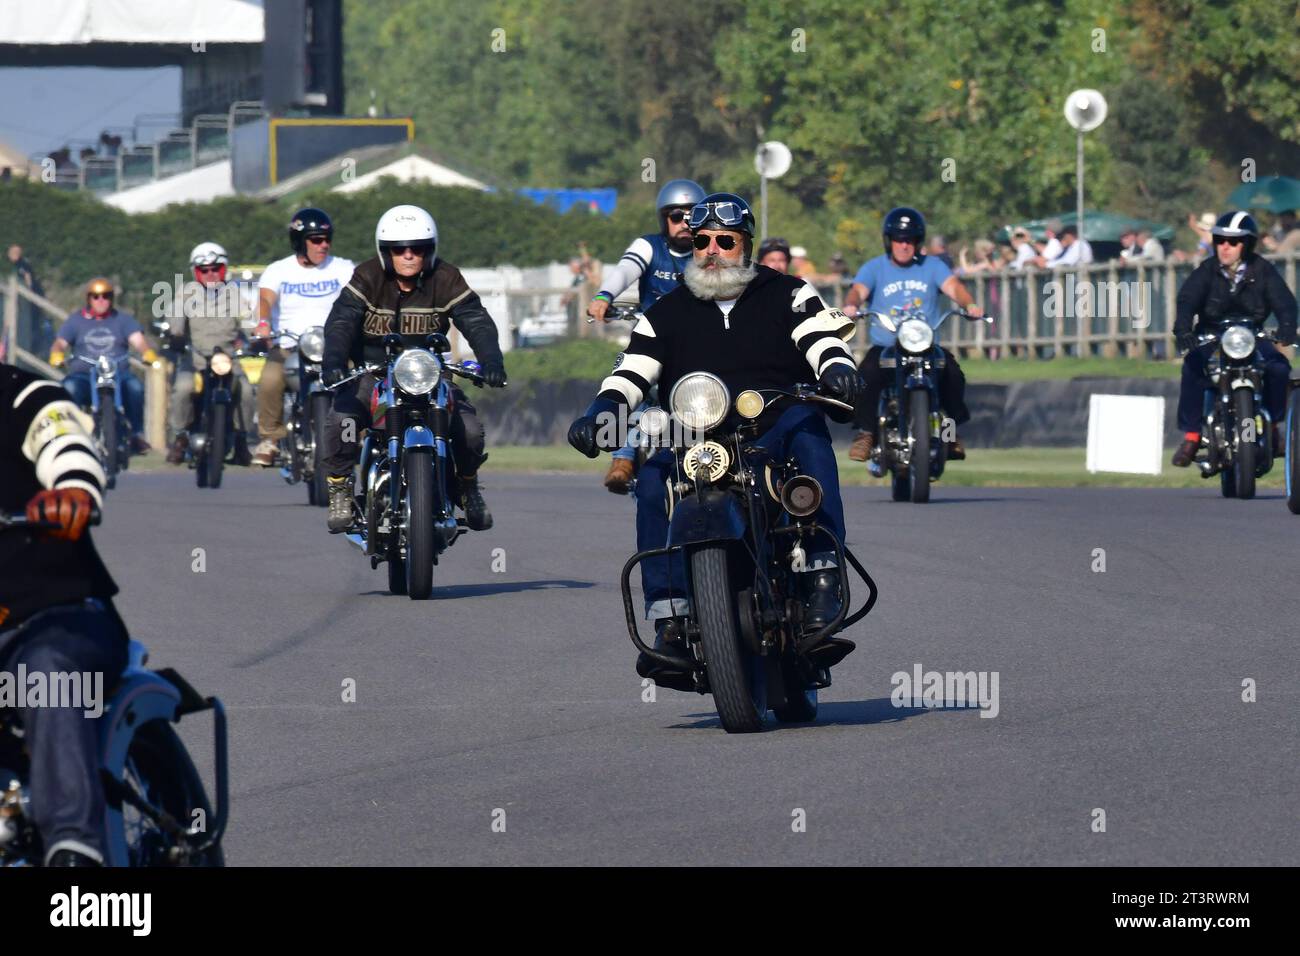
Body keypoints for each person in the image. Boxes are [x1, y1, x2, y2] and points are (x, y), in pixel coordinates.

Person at [567, 192, 865, 678]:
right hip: (694, 434)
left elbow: (820, 337)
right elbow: (631, 373)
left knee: (810, 434)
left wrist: (837, 368)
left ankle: (821, 575)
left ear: (744, 244)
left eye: (724, 241)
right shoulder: (666, 310)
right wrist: (601, 410)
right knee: (649, 483)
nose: (711, 250)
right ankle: (669, 617)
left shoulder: (789, 291)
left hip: (775, 422)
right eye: (701, 240)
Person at [0, 361, 125, 865]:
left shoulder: (22, 394)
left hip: (56, 619)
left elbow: (65, 441)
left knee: (44, 674)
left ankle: (75, 850)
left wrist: (72, 489)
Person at [320, 204, 507, 533]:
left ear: (430, 250)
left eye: (417, 248)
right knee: (343, 421)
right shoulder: (367, 276)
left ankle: (467, 487)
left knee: (470, 430)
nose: (408, 255)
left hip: (432, 377)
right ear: (385, 252)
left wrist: (492, 361)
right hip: (374, 374)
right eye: (399, 249)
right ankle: (340, 487)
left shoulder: (445, 278)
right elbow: (341, 322)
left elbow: (475, 320)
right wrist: (334, 362)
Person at [586, 178, 706, 494]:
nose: (684, 224)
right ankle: (623, 457)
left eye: (692, 216)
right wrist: (604, 296)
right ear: (663, 219)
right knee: (634, 384)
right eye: (676, 216)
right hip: (653, 342)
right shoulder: (649, 246)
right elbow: (626, 269)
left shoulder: (710, 250)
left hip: (703, 343)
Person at [841, 207, 985, 464]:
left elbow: (955, 288)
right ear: (889, 240)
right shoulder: (874, 268)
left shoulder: (933, 267)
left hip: (925, 345)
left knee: (952, 375)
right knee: (867, 376)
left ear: (918, 242)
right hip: (888, 344)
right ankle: (866, 434)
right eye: (898, 239)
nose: (904, 245)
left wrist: (969, 305)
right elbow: (858, 291)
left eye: (910, 240)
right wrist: (851, 306)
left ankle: (950, 434)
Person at [1170, 211, 1296, 467]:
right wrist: (1184, 331)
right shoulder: (1207, 271)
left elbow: (1285, 303)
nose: (1225, 247)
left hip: (1251, 336)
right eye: (1220, 241)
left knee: (1279, 368)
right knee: (1193, 365)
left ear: (1247, 245)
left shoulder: (1263, 269)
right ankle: (1192, 435)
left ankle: (1273, 428)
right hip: (1213, 336)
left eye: (1233, 242)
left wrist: (1287, 327)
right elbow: (1187, 301)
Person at [250, 208, 355, 467]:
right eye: (317, 240)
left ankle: (358, 433)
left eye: (327, 239)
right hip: (290, 345)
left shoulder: (342, 268)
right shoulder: (279, 270)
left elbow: (357, 299)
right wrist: (263, 324)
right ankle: (270, 439)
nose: (324, 245)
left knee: (358, 380)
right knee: (270, 381)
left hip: (334, 345)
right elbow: (265, 298)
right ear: (300, 241)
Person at [165, 242, 256, 463]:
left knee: (245, 391)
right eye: (204, 270)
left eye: (216, 269)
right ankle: (180, 436)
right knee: (183, 388)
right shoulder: (186, 292)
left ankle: (241, 440)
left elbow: (248, 319)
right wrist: (175, 333)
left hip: (227, 360)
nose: (211, 274)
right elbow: (175, 316)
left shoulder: (234, 293)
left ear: (224, 269)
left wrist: (256, 334)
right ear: (196, 272)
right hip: (195, 359)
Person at [49, 279, 156, 454]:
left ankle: (137, 434)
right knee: (68, 387)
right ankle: (70, 434)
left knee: (135, 387)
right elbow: (59, 343)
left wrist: (146, 352)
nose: (101, 300)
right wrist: (57, 354)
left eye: (106, 296)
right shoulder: (75, 321)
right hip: (84, 375)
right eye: (96, 296)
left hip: (117, 374)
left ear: (111, 299)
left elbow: (138, 340)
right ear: (89, 299)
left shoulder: (122, 320)